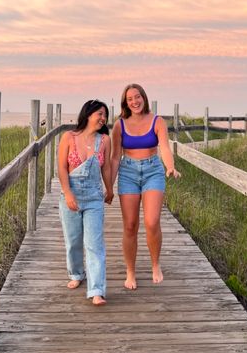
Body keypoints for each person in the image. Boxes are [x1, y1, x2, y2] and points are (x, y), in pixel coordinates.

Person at [111, 84, 181, 290]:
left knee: (152, 221)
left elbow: (165, 148)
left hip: (153, 171)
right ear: (126, 102)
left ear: (144, 97)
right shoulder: (119, 125)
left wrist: (170, 167)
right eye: (130, 98)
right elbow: (115, 158)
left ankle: (155, 264)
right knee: (130, 225)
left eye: (138, 96)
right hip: (128, 173)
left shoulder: (157, 121)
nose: (135, 101)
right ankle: (130, 271)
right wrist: (108, 186)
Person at [58, 99, 113, 306]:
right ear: (88, 114)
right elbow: (62, 168)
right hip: (71, 194)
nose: (103, 118)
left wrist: (109, 189)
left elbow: (106, 168)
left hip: (94, 197)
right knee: (73, 241)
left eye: (105, 115)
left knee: (94, 244)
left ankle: (97, 289)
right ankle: (76, 274)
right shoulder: (69, 137)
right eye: (99, 113)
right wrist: (68, 193)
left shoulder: (104, 140)